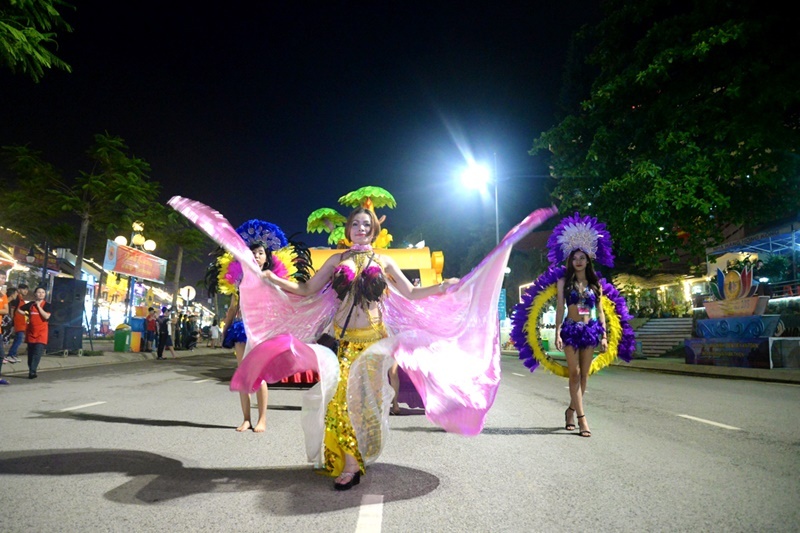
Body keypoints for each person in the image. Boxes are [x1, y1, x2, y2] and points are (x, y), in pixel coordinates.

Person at [169, 195, 556, 492]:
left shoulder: (385, 262)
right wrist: (273, 280)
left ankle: (354, 459)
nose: (360, 229)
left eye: (366, 225)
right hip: (342, 342)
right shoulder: (337, 259)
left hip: (374, 342)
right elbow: (306, 290)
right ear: (347, 230)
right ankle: (350, 461)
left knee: (363, 404)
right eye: (355, 224)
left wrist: (444, 286)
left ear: (373, 230)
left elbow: (410, 294)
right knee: (339, 402)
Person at [509, 213, 636, 439]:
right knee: (574, 373)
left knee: (584, 375)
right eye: (575, 257)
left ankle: (570, 410)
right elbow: (560, 308)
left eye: (582, 257)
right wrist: (558, 331)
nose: (578, 261)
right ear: (570, 260)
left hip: (590, 331)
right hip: (570, 329)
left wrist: (604, 336)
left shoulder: (595, 284)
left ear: (588, 260)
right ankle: (582, 419)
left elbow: (600, 311)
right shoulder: (562, 282)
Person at [19, 286, 50, 379]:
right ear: (35, 294)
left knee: (37, 353)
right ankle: (31, 370)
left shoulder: (47, 305)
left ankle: (32, 372)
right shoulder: (30, 305)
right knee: (31, 354)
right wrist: (27, 316)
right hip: (31, 333)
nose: (41, 294)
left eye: (43, 292)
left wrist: (39, 307)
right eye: (39, 292)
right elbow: (20, 310)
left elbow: (46, 316)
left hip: (41, 333)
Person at [6, 283, 29, 363]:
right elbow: (12, 310)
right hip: (17, 323)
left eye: (26, 289)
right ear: (18, 290)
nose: (26, 291)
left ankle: (13, 354)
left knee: (18, 340)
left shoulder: (21, 300)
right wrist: (11, 321)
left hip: (21, 323)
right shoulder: (17, 299)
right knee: (18, 340)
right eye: (24, 289)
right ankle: (11, 354)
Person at [0, 271, 9, 384]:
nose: (2, 280)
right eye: (1, 278)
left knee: (1, 355)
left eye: (3, 278)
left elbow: (6, 310)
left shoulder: (3, 295)